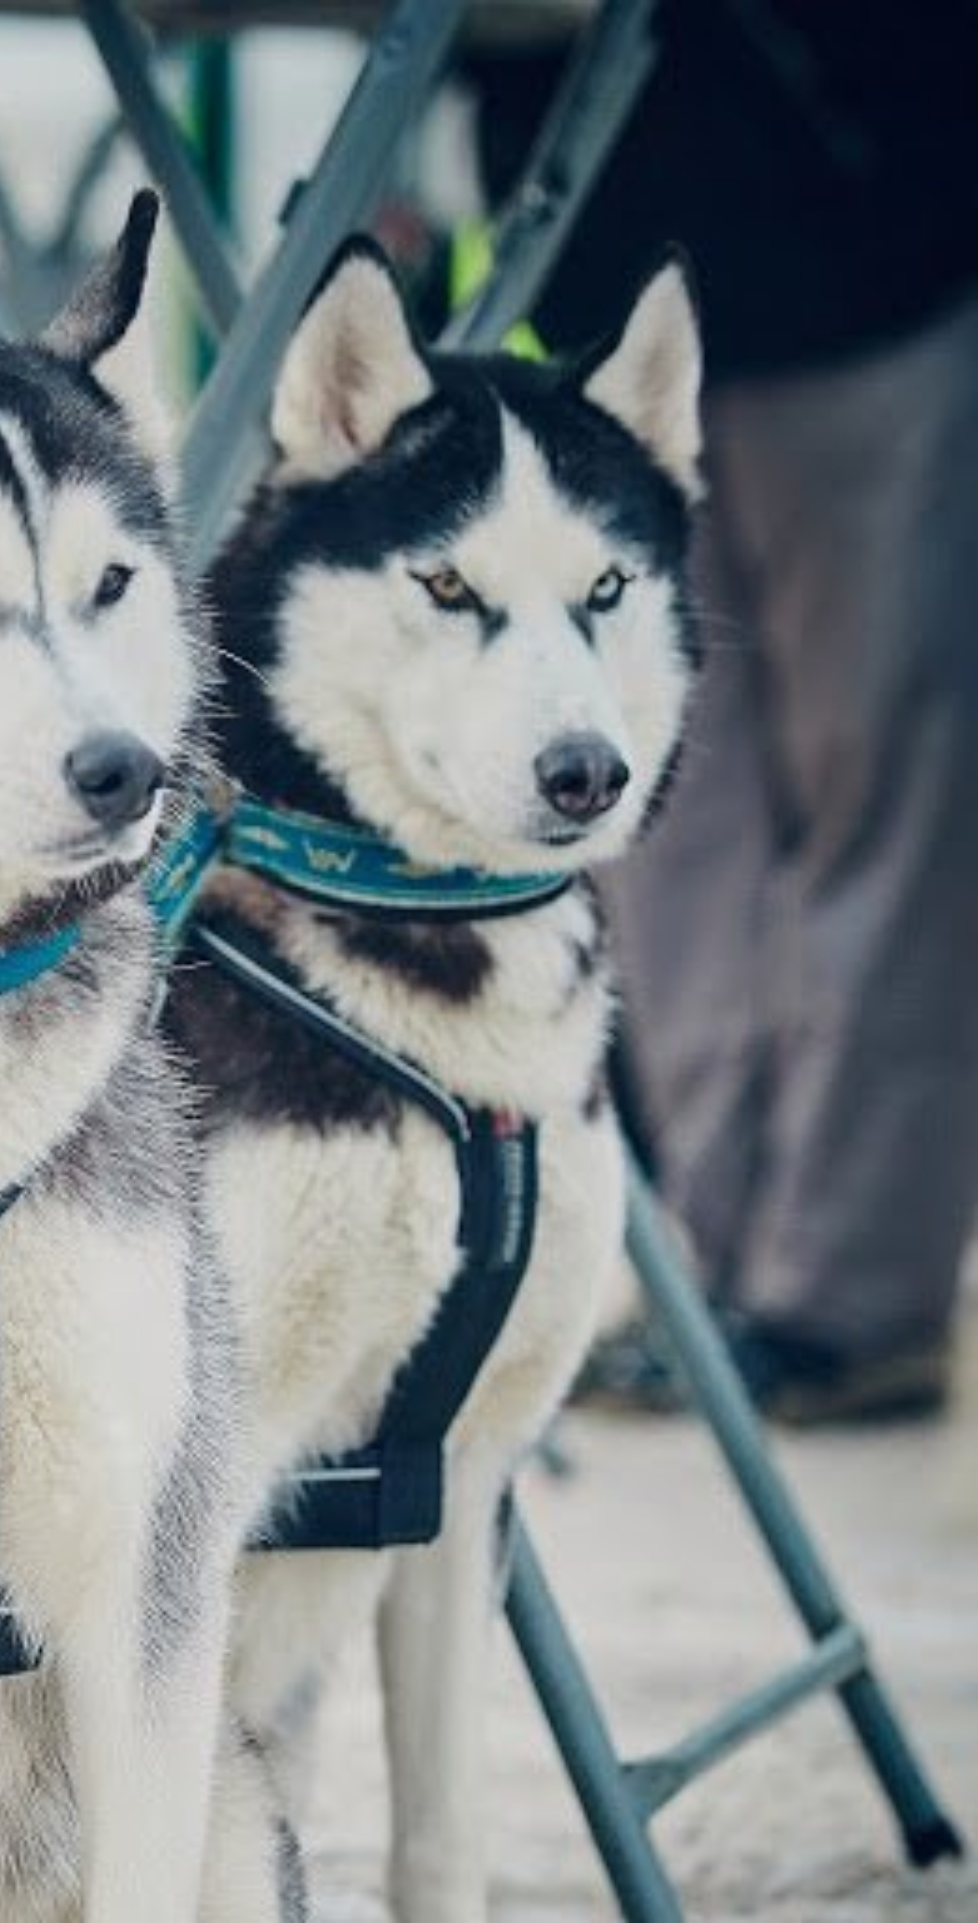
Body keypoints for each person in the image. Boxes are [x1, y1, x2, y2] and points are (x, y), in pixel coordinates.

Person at [473, 0, 978, 1423]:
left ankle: (846, 1295)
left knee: (891, 781)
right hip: (619, 290)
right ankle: (725, 1268)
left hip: (876, 240)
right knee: (662, 803)